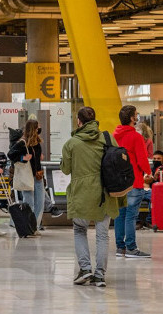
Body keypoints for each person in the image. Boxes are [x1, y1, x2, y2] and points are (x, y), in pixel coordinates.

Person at [61, 107, 123, 287]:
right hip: (105, 193)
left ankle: (85, 269)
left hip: (82, 194)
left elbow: (65, 169)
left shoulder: (72, 143)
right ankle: (100, 275)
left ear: (79, 121)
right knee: (102, 235)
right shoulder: (108, 137)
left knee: (80, 230)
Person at [112, 105, 152, 258]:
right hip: (134, 181)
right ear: (131, 118)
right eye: (136, 114)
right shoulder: (136, 137)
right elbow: (142, 160)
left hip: (118, 182)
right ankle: (131, 248)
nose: (137, 116)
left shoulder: (115, 135)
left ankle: (120, 248)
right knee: (131, 216)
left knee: (120, 215)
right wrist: (149, 172)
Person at [8, 118, 45, 232]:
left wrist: (39, 156)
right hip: (27, 176)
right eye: (37, 126)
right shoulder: (22, 142)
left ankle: (34, 226)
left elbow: (36, 156)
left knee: (40, 202)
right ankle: (27, 226)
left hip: (38, 176)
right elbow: (10, 154)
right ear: (33, 128)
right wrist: (22, 158)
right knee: (29, 203)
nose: (39, 128)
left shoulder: (36, 142)